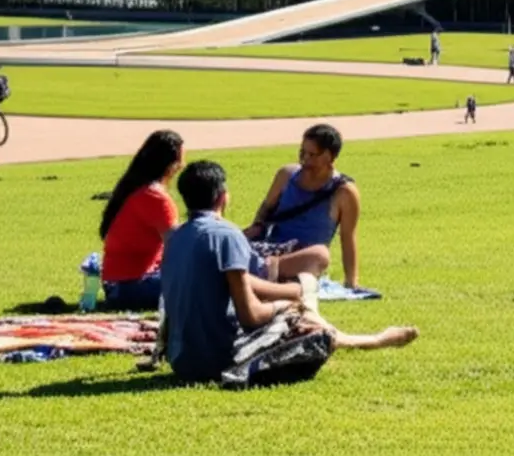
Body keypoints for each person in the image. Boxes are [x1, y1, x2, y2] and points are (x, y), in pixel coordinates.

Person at [158, 160, 418, 385]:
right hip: (218, 360)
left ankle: (363, 337)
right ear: (223, 196)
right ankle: (373, 341)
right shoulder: (227, 235)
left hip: (181, 361)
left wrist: (291, 292)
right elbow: (251, 316)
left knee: (295, 307)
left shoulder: (175, 238)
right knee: (311, 331)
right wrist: (285, 304)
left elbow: (235, 282)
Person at [244, 124, 362, 288]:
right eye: (302, 152)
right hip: (271, 249)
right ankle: (265, 270)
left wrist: (351, 282)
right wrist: (257, 226)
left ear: (329, 156)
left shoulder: (344, 192)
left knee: (321, 255)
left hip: (304, 257)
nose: (305, 159)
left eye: (312, 155)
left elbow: (348, 238)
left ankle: (263, 271)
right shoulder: (286, 175)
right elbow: (266, 208)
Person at [99, 130, 184, 311]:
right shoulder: (156, 197)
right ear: (171, 164)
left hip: (116, 285)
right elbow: (177, 247)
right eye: (180, 160)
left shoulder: (133, 189)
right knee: (209, 282)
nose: (182, 166)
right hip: (132, 286)